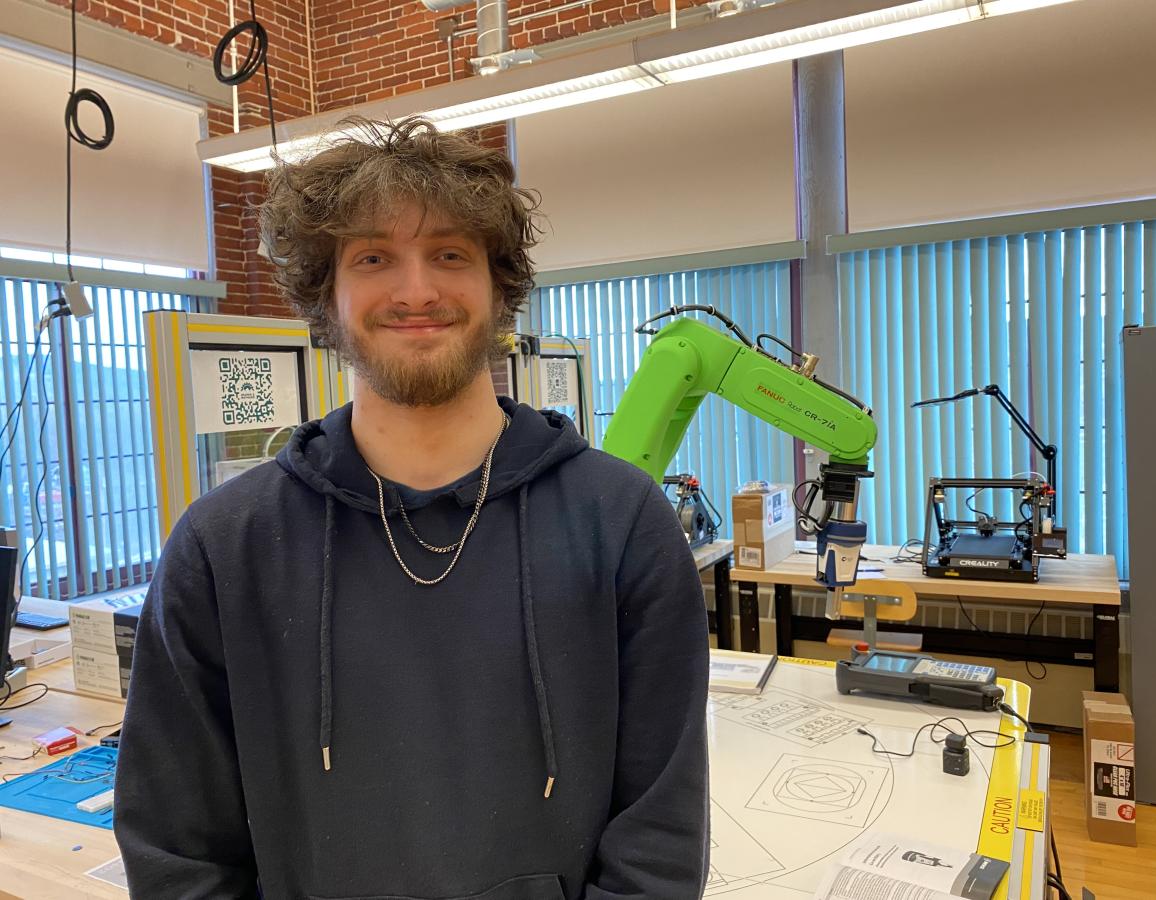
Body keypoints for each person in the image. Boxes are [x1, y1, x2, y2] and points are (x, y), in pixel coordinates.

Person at [114, 116, 711, 899]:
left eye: (450, 254)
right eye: (373, 258)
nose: (417, 290)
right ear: (326, 295)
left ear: (499, 287)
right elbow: (176, 849)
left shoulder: (623, 524)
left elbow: (659, 841)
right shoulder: (224, 545)